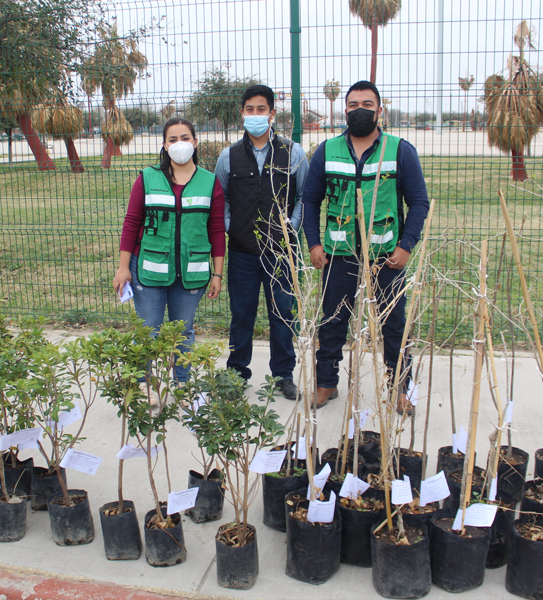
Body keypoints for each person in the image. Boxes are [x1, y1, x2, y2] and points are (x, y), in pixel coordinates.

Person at [301, 80, 430, 408]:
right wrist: (314, 243)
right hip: (338, 255)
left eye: (367, 105)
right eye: (353, 105)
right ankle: (326, 383)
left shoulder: (400, 150)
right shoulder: (327, 151)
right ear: (345, 110)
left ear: (379, 110)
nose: (360, 110)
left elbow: (418, 202)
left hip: (386, 257)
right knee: (332, 321)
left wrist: (406, 245)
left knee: (394, 324)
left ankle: (399, 389)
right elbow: (310, 200)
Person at [214, 84, 309, 399]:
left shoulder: (293, 153)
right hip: (243, 253)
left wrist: (291, 228)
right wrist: (232, 228)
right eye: (250, 109)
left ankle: (283, 375)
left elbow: (304, 196)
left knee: (282, 314)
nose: (255, 115)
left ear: (272, 113)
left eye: (261, 109)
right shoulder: (228, 157)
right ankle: (236, 374)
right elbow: (220, 199)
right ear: (242, 113)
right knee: (242, 315)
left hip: (281, 252)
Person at [113, 118, 226, 382]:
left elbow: (217, 230)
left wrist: (218, 274)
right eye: (172, 139)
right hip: (148, 270)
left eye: (185, 138)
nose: (179, 144)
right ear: (164, 145)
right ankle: (143, 386)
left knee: (183, 332)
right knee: (148, 331)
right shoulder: (147, 178)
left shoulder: (210, 182)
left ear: (195, 142)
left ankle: (184, 385)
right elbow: (131, 223)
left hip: (191, 272)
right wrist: (123, 267)